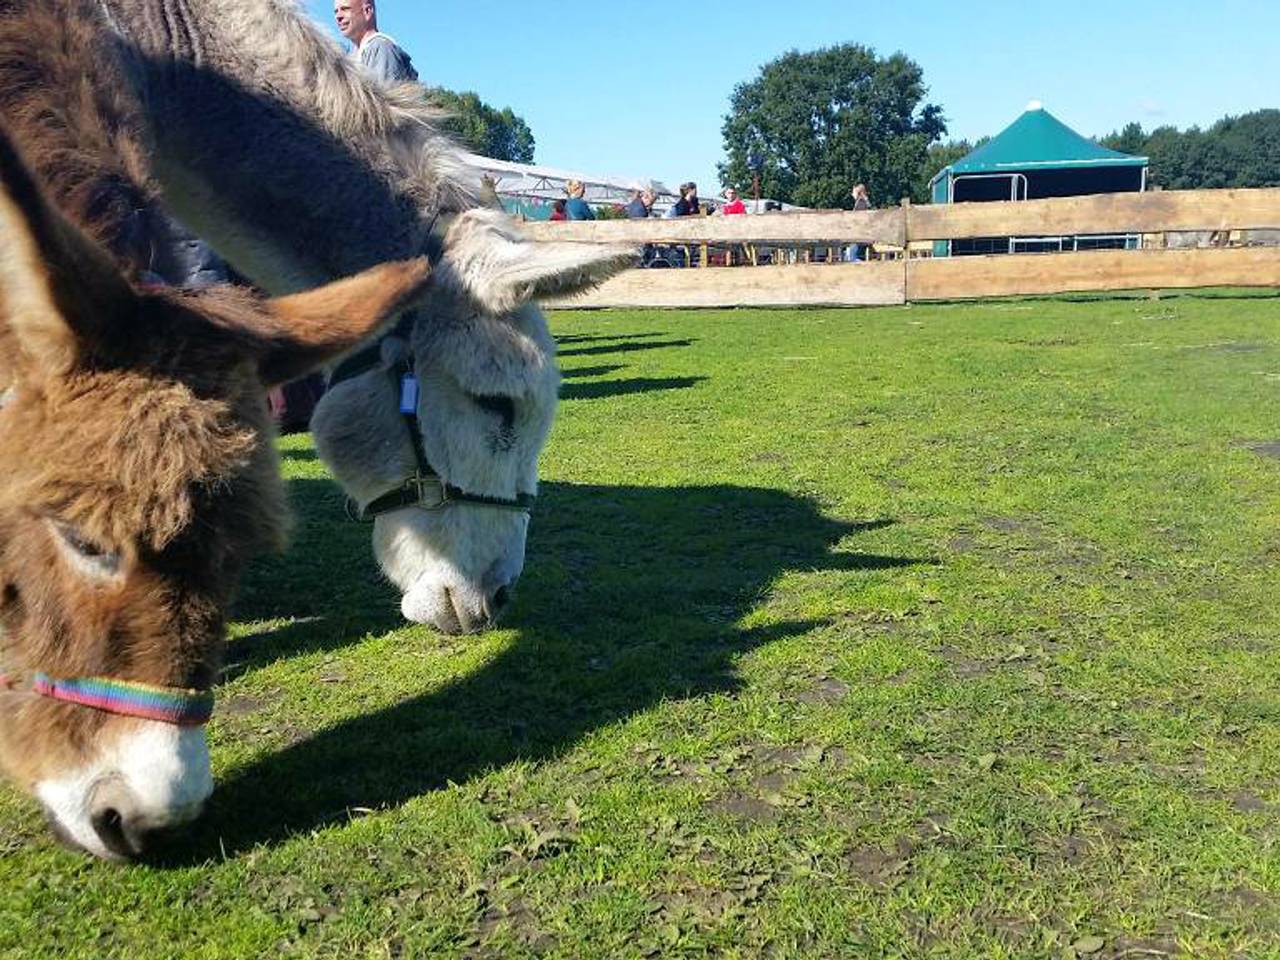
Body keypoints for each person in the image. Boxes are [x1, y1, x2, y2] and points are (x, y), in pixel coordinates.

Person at [334, 0, 418, 85]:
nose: (338, 16)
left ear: (367, 11)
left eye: (345, 9)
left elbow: (385, 96)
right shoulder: (353, 55)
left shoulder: (381, 48)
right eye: (336, 11)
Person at [845, 182, 873, 262]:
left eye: (853, 192)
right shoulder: (864, 203)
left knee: (853, 258)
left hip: (858, 236)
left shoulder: (861, 203)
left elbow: (857, 220)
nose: (852, 194)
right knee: (857, 257)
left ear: (858, 192)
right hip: (862, 236)